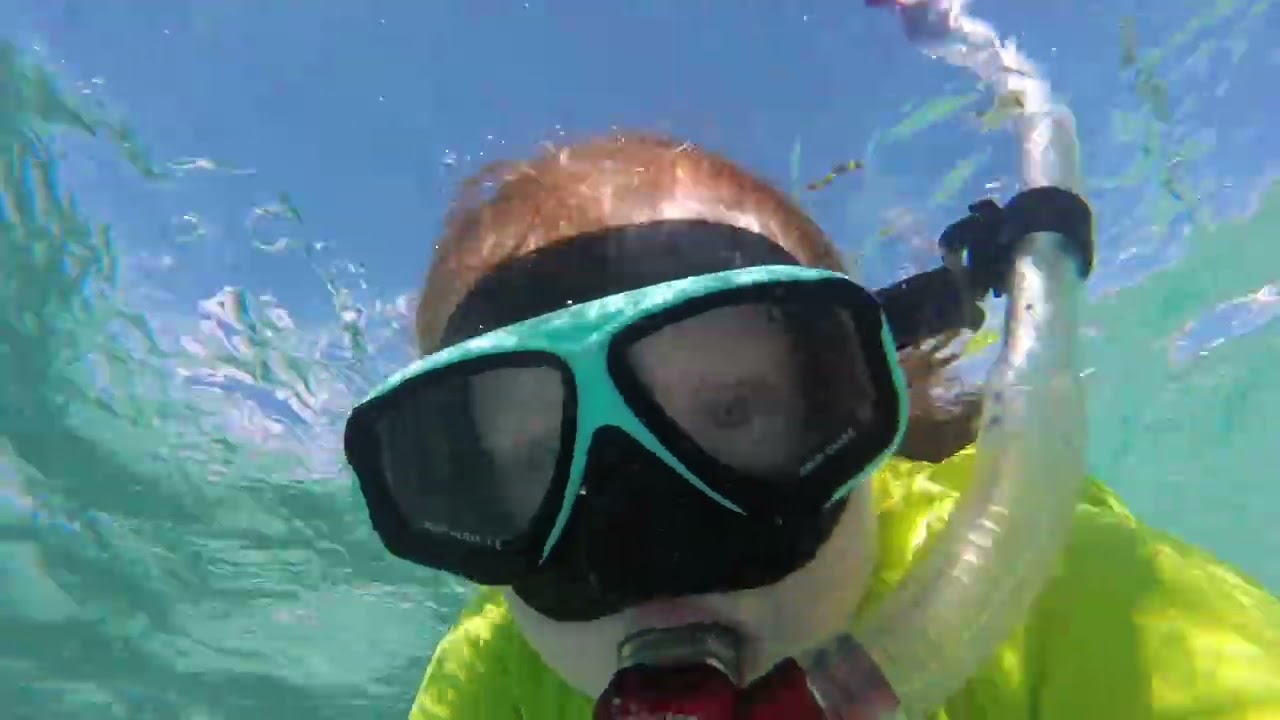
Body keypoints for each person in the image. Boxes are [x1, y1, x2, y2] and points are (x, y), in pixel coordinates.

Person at [344, 133, 1280, 719]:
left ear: (858, 402)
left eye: (735, 412)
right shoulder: (487, 683)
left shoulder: (1074, 599)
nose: (651, 543)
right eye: (536, 457)